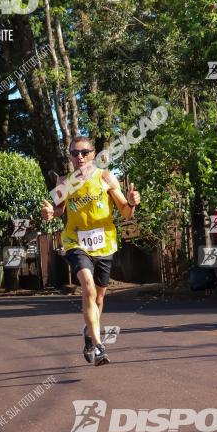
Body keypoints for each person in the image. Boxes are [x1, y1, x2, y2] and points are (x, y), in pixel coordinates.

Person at [40, 136, 140, 365]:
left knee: (99, 298)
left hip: (104, 243)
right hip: (76, 241)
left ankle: (88, 333)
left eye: (84, 152)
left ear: (94, 154)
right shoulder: (64, 182)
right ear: (70, 157)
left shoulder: (105, 177)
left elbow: (125, 213)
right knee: (87, 287)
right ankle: (99, 346)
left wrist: (133, 203)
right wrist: (48, 214)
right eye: (74, 153)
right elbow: (57, 211)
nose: (80, 157)